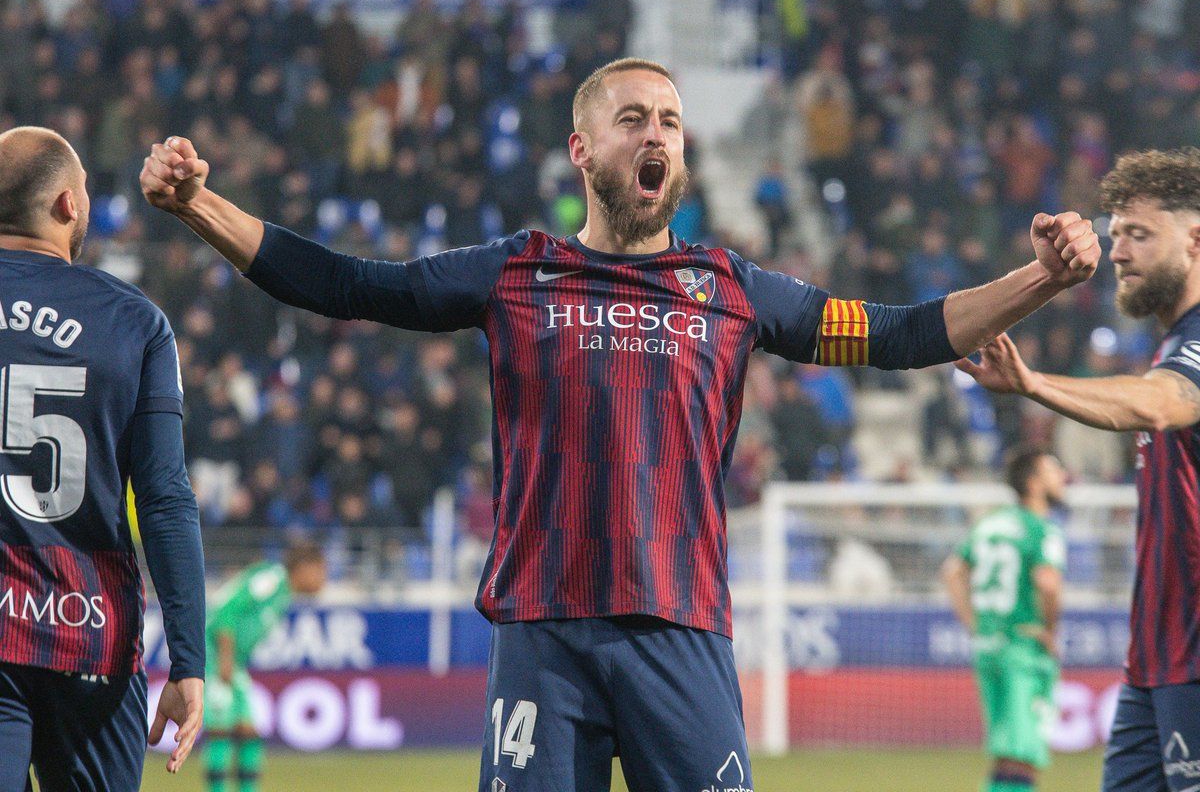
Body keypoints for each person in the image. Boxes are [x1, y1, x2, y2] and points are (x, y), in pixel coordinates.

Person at [139, 58, 1099, 792]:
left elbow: (897, 335)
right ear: (582, 150)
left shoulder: (731, 288)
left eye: (671, 122)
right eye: (633, 118)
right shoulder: (517, 271)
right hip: (543, 629)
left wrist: (1041, 281)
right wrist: (199, 209)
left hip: (679, 624)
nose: (658, 133)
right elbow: (348, 284)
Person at [955, 147, 1200, 792]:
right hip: (1155, 661)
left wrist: (1034, 383)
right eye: (1115, 233)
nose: (1117, 252)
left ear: (1196, 239)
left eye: (1140, 235)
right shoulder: (1169, 344)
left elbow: (1161, 403)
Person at [0, 126, 205, 789]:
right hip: (87, 631)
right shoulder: (135, 322)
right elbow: (165, 497)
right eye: (85, 187)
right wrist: (189, 661)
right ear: (66, 204)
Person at [942, 446, 1067, 792]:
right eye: (1053, 471)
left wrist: (974, 623)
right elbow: (1048, 583)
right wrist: (1050, 631)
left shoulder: (991, 522)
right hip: (1023, 646)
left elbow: (952, 571)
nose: (1062, 478)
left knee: (1005, 750)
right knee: (1024, 751)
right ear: (1033, 483)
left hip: (988, 645)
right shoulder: (1043, 530)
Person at [204, 541, 326, 792]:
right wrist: (225, 661)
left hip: (233, 662)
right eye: (320, 571)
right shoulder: (272, 578)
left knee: (249, 732)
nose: (323, 579)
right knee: (220, 729)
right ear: (303, 568)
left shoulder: (284, 594)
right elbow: (226, 611)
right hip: (213, 655)